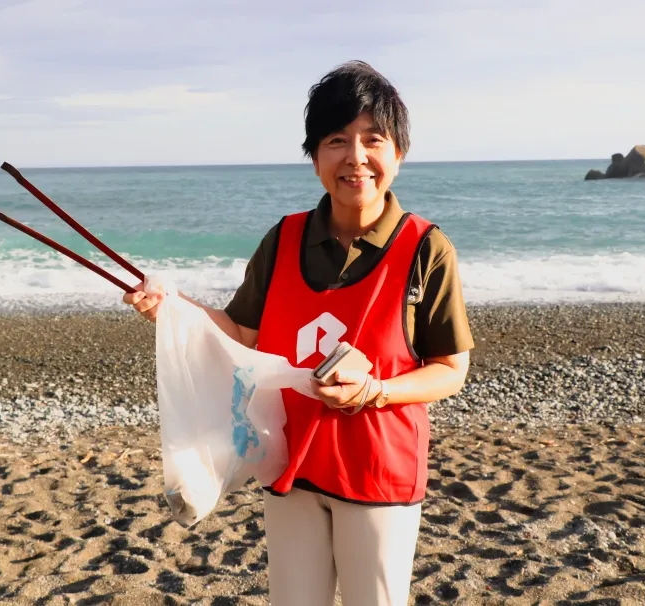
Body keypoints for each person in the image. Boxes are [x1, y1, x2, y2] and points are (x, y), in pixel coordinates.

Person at [124, 60, 474, 606]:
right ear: (315, 158)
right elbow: (242, 331)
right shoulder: (285, 238)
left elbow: (451, 371)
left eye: (373, 140)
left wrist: (375, 389)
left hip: (379, 474)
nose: (355, 158)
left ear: (398, 155)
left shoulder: (426, 249)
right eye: (337, 140)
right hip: (291, 464)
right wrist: (175, 310)